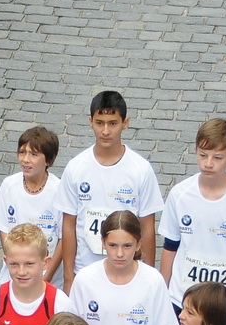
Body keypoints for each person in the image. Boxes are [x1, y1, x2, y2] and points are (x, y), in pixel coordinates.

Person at [158, 118, 226, 310]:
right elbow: (170, 247)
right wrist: (162, 296)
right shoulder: (179, 194)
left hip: (221, 303)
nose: (208, 163)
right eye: (203, 155)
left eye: (217, 157)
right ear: (195, 151)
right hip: (180, 299)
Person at [59, 91, 163, 280]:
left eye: (113, 124)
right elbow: (68, 225)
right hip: (85, 270)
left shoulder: (141, 170)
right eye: (100, 123)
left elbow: (147, 227)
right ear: (91, 121)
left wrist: (146, 276)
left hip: (128, 271)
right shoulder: (75, 168)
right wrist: (68, 278)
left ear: (125, 123)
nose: (105, 131)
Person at [0, 126, 63, 286]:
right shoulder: (9, 185)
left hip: (48, 279)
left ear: (48, 160)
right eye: (22, 152)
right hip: (13, 277)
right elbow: (4, 230)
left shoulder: (59, 190)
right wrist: (15, 265)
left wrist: (46, 278)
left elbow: (63, 240)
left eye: (34, 154)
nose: (25, 159)